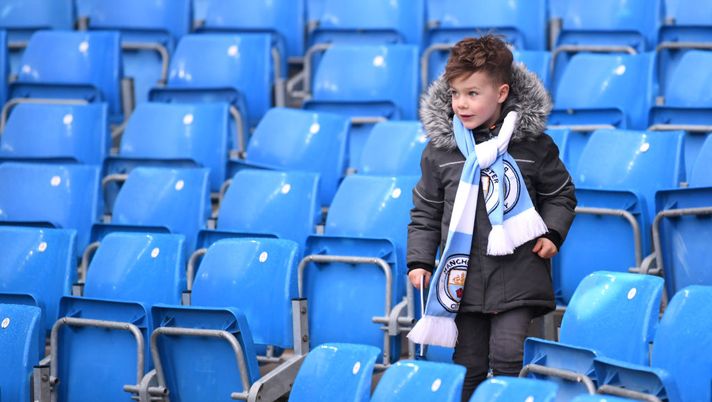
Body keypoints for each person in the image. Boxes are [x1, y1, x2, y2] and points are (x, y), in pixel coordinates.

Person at [406, 35, 576, 401]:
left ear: (500, 93)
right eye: (455, 94)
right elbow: (426, 210)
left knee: (507, 355)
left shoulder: (534, 146)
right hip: (462, 281)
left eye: (472, 93)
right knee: (467, 365)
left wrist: (553, 234)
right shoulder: (441, 151)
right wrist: (419, 260)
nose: (461, 104)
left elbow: (559, 195)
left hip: (519, 274)